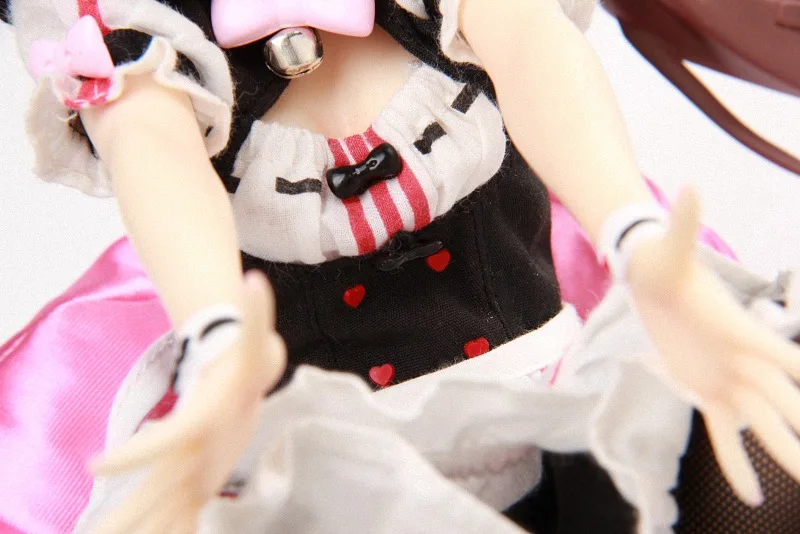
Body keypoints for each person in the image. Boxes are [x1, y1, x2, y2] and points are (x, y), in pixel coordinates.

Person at [2, 0, 800, 532]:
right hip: (334, 466)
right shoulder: (131, 28)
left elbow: (529, 42)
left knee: (759, 440)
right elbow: (152, 146)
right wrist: (217, 346)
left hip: (551, 390)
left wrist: (635, 236)